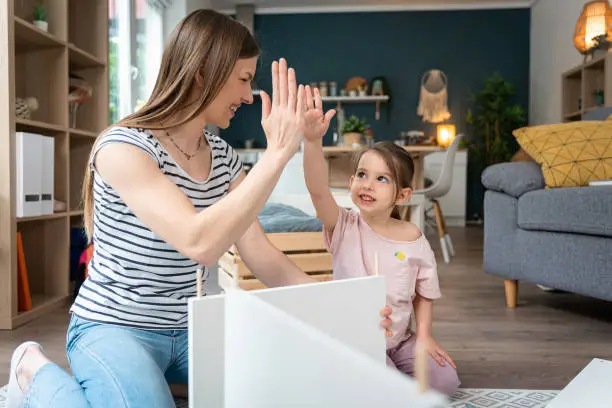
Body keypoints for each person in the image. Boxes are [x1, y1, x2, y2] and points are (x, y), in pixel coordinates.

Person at [6, 9, 392, 408]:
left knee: (296, 385)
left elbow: (262, 256)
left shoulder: (223, 158)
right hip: (116, 326)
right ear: (202, 73)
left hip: (198, 328)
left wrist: (342, 308)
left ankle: (161, 384)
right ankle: (32, 370)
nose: (247, 96)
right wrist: (277, 153)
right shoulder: (123, 147)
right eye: (243, 80)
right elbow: (199, 241)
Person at [301, 86, 460, 397]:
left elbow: (423, 294)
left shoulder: (414, 239)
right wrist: (311, 141)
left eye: (381, 178)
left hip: (398, 340)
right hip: (353, 341)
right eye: (362, 174)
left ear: (402, 195)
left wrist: (424, 336)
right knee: (386, 387)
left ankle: (380, 377)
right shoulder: (343, 225)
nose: (367, 185)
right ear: (350, 182)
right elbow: (318, 190)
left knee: (446, 382)